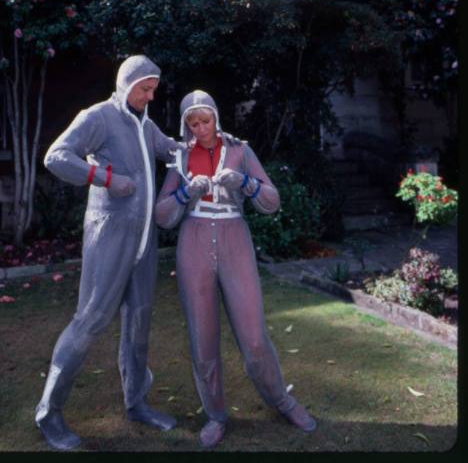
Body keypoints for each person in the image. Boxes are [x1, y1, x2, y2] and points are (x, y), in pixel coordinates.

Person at [154, 89, 317, 449]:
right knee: (202, 338)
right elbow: (162, 216)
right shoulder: (180, 156)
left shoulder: (241, 150)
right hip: (194, 241)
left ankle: (283, 401)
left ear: (216, 117)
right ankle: (215, 415)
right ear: (185, 125)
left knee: (255, 336)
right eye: (192, 123)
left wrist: (243, 182)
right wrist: (184, 194)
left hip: (235, 239)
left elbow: (271, 201)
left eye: (205, 120)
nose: (200, 128)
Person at [35, 55, 182, 450]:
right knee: (91, 319)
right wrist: (104, 177)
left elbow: (174, 152)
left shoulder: (145, 125)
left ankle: (136, 402)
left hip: (144, 239)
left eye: (153, 89)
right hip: (109, 234)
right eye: (144, 88)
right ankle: (49, 413)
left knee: (139, 320)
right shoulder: (98, 116)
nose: (149, 95)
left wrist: (213, 143)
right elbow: (56, 156)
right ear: (125, 83)